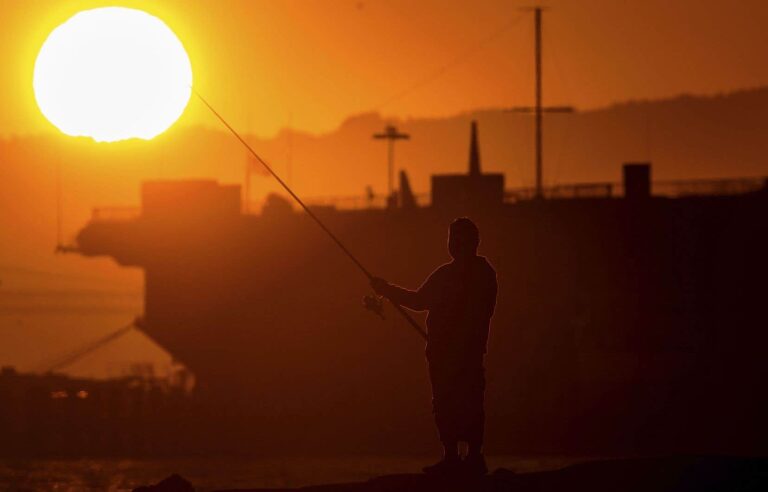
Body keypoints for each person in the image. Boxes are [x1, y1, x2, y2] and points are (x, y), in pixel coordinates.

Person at [371, 217, 498, 476]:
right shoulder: (476, 274)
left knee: (460, 401)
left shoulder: (469, 275)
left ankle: (466, 458)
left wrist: (387, 290)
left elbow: (420, 301)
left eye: (456, 239)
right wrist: (387, 290)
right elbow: (421, 301)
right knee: (451, 402)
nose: (452, 245)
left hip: (460, 353)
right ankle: (458, 457)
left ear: (471, 242)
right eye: (451, 239)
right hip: (449, 353)